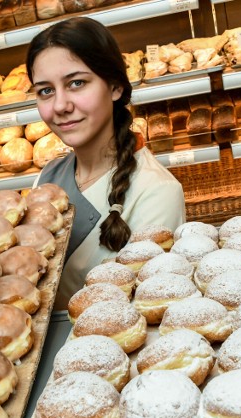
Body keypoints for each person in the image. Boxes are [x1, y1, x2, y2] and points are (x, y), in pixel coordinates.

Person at [26, 17, 186, 309]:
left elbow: (148, 307)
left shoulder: (157, 191)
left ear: (114, 86)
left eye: (77, 83)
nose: (60, 105)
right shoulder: (47, 178)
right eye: (46, 91)